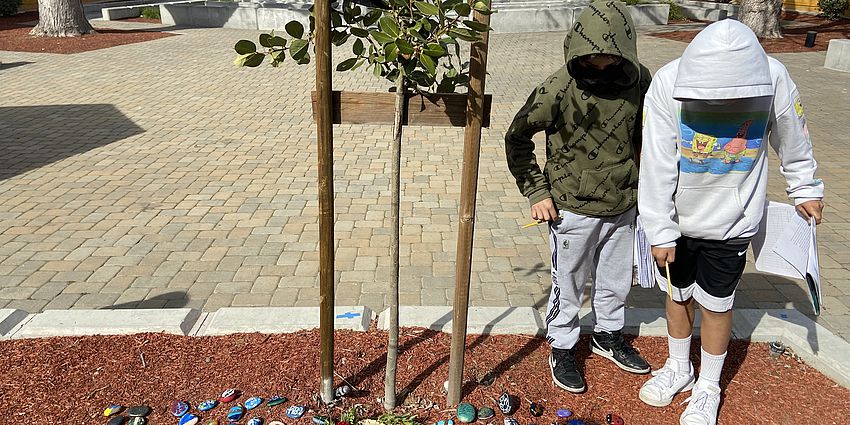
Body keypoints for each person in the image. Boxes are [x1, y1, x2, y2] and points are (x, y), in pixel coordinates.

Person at [637, 19, 824, 425]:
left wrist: (805, 187)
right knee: (678, 295)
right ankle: (678, 367)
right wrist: (660, 228)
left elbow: (793, 136)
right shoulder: (669, 83)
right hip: (678, 220)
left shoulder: (774, 78)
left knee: (718, 305)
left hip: (734, 220)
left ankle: (708, 384)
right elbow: (655, 162)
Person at [504, 0, 652, 393]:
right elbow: (517, 137)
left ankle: (607, 335)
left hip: (623, 203)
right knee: (567, 283)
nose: (600, 64)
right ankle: (563, 345)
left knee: (617, 280)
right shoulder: (558, 87)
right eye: (592, 56)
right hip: (571, 208)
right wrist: (537, 191)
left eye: (609, 56)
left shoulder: (640, 82)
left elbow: (649, 134)